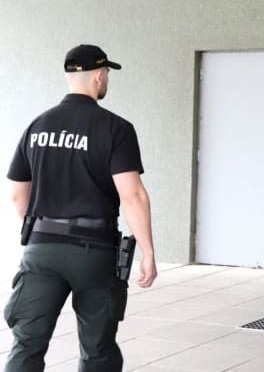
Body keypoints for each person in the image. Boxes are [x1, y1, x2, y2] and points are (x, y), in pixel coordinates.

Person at [4, 44, 157, 371]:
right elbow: (132, 196)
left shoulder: (38, 126)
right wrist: (148, 252)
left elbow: (18, 194)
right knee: (97, 348)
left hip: (41, 248)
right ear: (100, 77)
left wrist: (41, 229)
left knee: (27, 344)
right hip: (94, 252)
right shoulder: (116, 128)